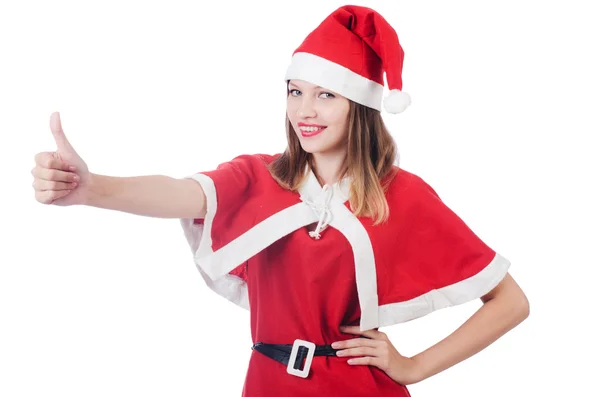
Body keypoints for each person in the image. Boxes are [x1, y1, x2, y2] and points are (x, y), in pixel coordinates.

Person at [31, 5, 529, 396]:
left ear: (359, 105)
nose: (304, 111)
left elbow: (509, 301)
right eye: (295, 92)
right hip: (267, 385)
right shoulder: (257, 177)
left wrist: (413, 367)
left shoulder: (403, 196)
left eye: (325, 95)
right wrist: (93, 188)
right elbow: (180, 194)